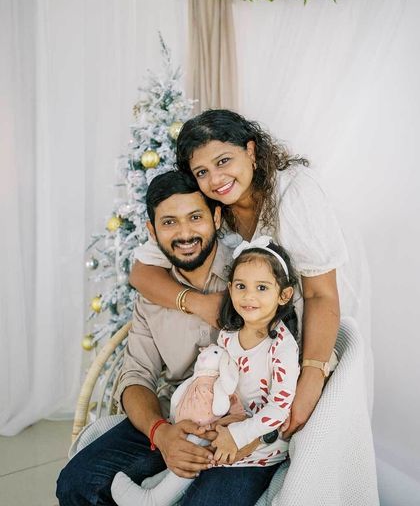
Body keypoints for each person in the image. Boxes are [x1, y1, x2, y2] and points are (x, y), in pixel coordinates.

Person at [56, 171, 277, 506]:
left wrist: (248, 432)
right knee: (77, 482)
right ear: (152, 231)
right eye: (169, 222)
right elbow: (135, 377)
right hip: (175, 416)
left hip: (244, 427)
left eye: (196, 218)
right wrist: (162, 433)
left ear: (217, 218)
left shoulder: (252, 275)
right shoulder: (151, 296)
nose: (185, 233)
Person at [129, 109, 348, 439]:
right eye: (201, 171)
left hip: (305, 341)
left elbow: (321, 294)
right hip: (252, 357)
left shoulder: (293, 193)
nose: (215, 179)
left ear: (250, 150)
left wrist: (311, 377)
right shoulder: (210, 200)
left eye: (223, 161)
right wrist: (199, 304)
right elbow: (141, 274)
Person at [110, 237, 300, 506]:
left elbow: (279, 408)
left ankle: (154, 497)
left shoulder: (281, 347)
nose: (249, 296)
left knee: (206, 452)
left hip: (259, 439)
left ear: (284, 295)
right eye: (241, 286)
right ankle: (161, 486)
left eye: (261, 288)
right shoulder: (229, 334)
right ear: (230, 288)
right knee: (193, 441)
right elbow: (220, 380)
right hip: (227, 419)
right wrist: (212, 417)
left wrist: (237, 434)